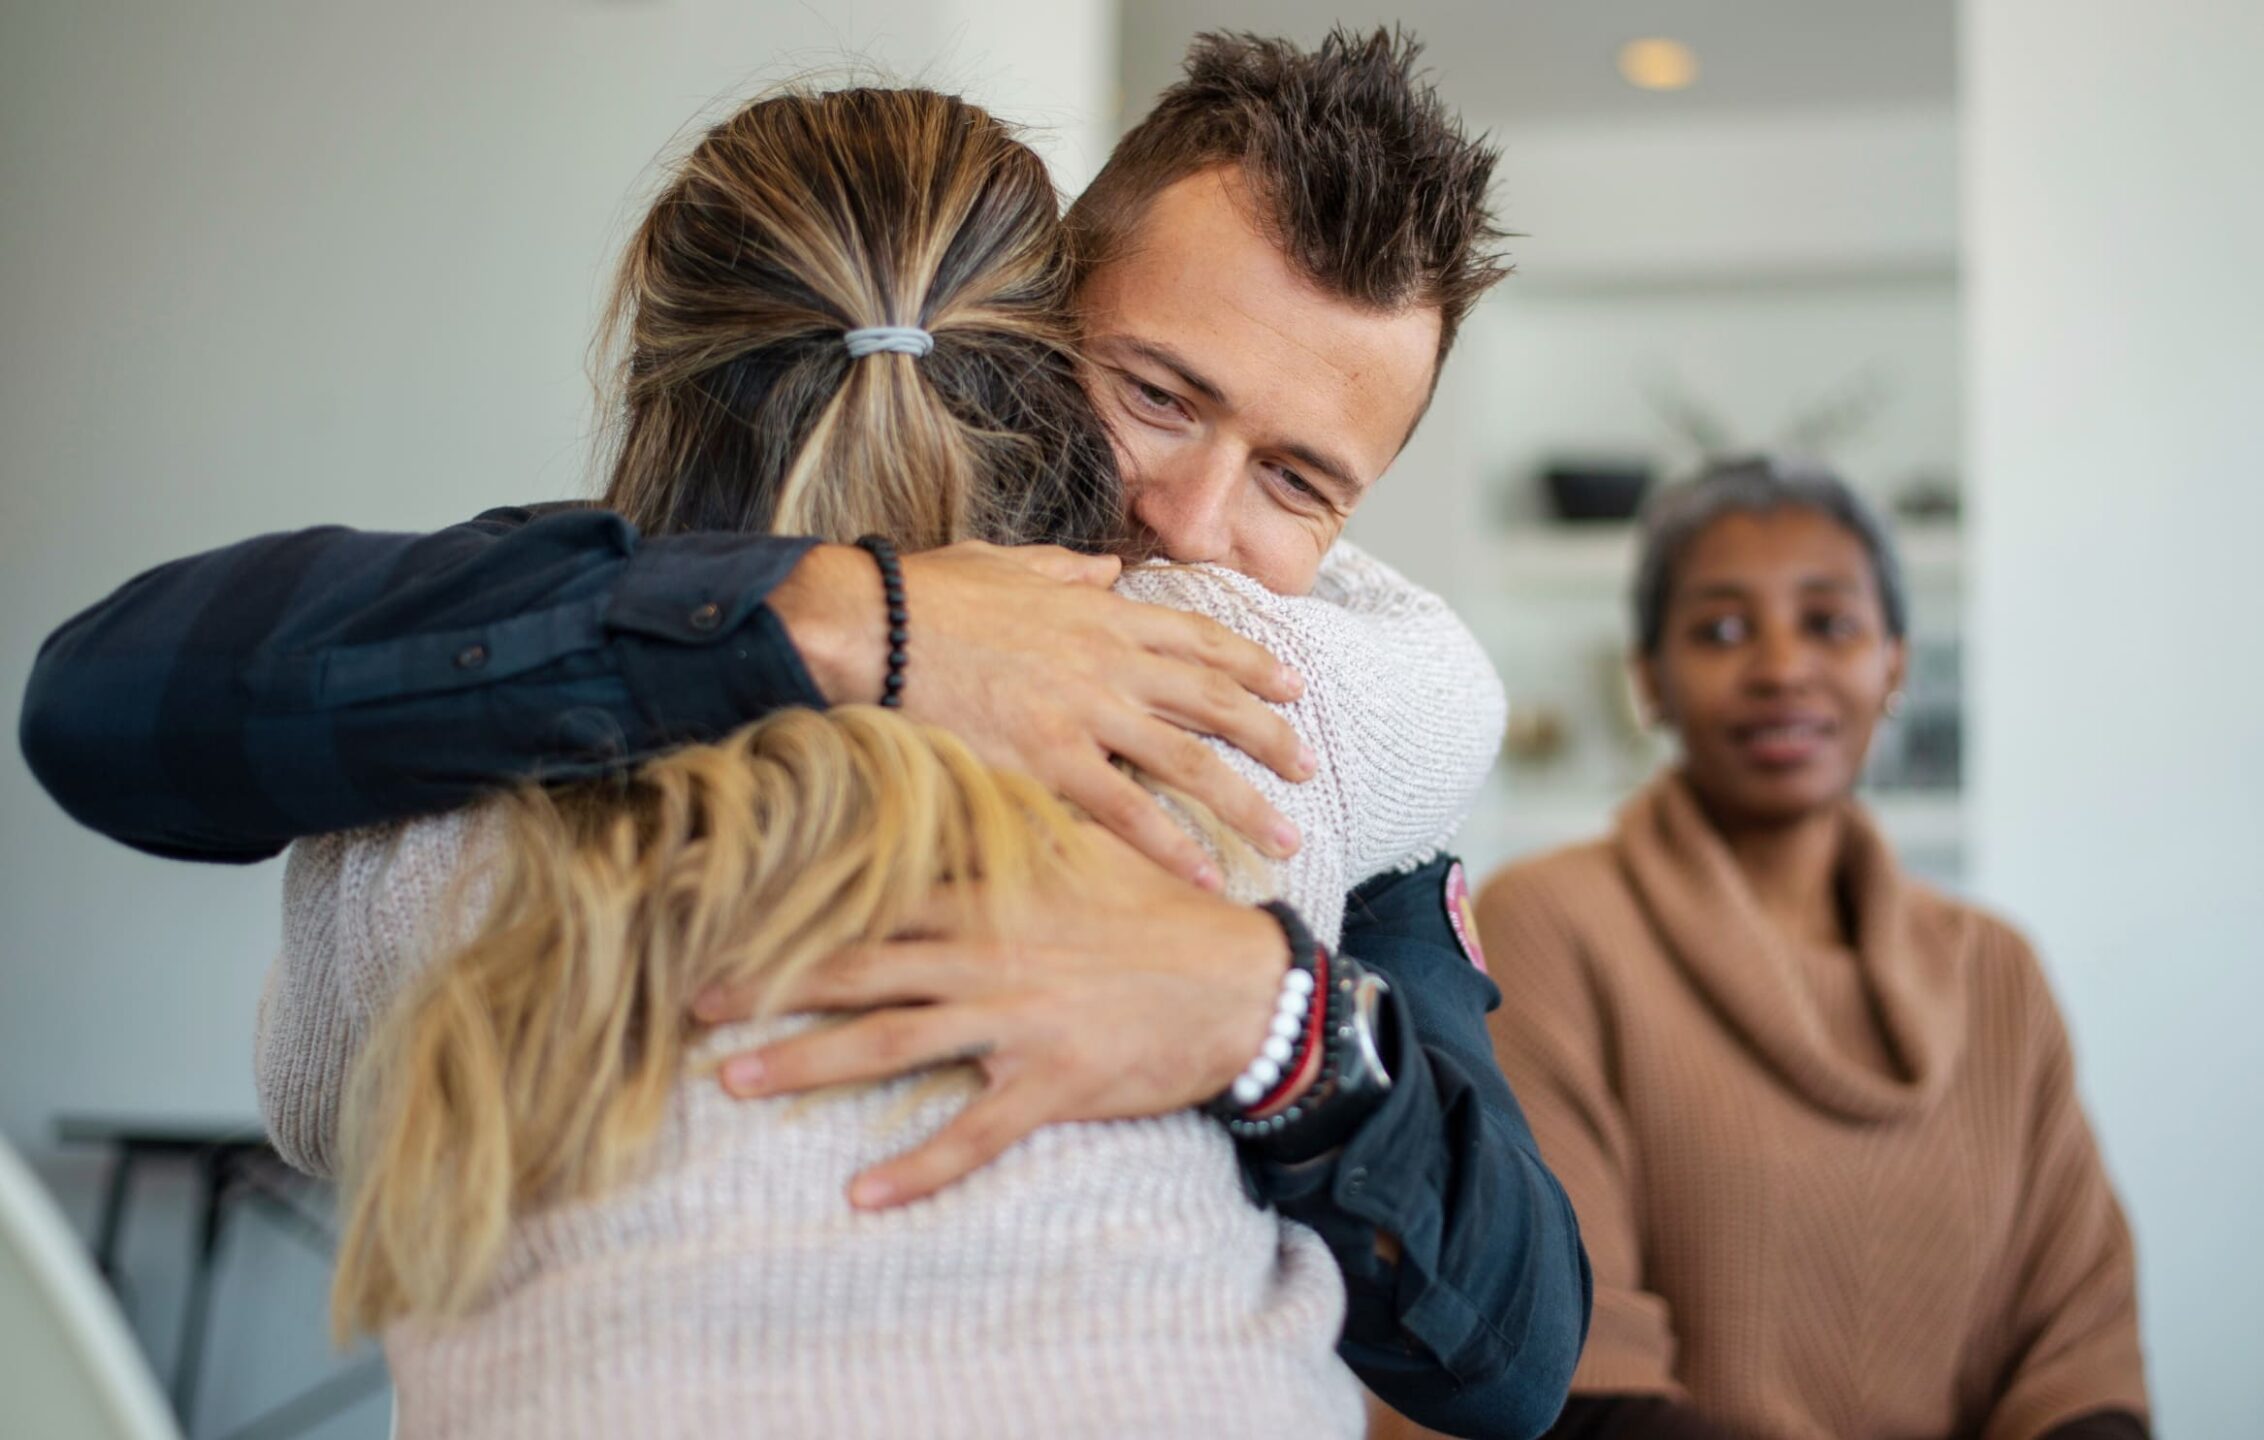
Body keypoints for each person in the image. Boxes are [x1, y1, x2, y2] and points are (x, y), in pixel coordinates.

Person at [17, 29, 1586, 1438]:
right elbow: (108, 702)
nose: (1189, 516)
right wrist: (852, 619)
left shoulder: (1282, 707)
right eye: (1157, 394)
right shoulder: (584, 604)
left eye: (1301, 485)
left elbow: (1513, 1358)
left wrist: (1273, 1024)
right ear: (1033, 313)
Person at [1471, 457, 2149, 1440]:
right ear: (1647, 679)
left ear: (1895, 666)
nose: (1782, 666)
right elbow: (1566, 1367)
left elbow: (2079, 1354)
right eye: (1722, 629)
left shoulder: (1994, 971)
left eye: (1829, 623)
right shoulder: (1550, 924)